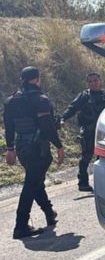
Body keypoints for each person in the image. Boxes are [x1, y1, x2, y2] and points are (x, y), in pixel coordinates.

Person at [4, 67, 65, 239]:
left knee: (35, 180)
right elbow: (47, 126)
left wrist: (10, 149)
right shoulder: (40, 100)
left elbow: (9, 127)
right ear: (37, 79)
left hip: (22, 147)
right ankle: (20, 225)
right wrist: (59, 146)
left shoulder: (11, 101)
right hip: (38, 148)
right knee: (32, 183)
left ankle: (49, 213)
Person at [62, 73, 105, 192]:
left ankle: (104, 182)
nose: (93, 83)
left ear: (100, 80)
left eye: (95, 80)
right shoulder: (84, 96)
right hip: (89, 131)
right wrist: (63, 118)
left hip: (104, 131)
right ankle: (83, 183)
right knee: (86, 157)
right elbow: (72, 108)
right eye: (90, 81)